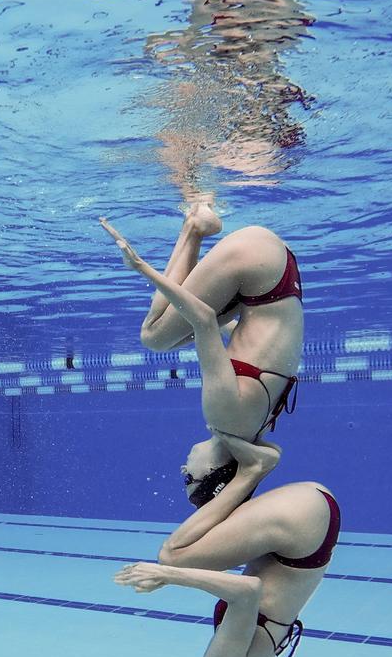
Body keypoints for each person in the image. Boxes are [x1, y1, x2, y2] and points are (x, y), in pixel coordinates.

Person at [114, 431, 341, 657]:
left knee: (204, 500)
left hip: (313, 519)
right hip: (300, 523)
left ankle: (243, 438)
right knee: (172, 556)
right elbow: (248, 589)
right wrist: (169, 574)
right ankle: (252, 466)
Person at [99, 201, 303, 493]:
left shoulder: (257, 431)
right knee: (153, 336)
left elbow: (238, 335)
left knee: (176, 336)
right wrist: (140, 266)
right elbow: (205, 319)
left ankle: (197, 234)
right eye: (189, 479)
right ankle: (196, 225)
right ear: (212, 471)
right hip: (254, 260)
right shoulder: (224, 418)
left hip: (279, 269)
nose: (183, 469)